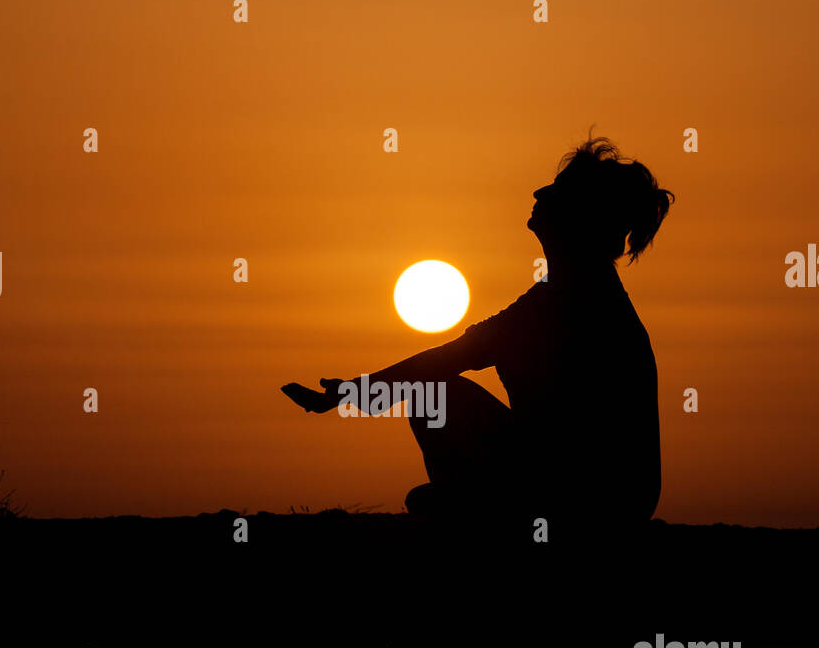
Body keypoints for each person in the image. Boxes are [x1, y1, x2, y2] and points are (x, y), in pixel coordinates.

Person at [282, 134, 674, 530]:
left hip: (591, 500)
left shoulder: (577, 299)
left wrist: (353, 393)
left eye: (557, 190)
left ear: (580, 213)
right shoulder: (568, 292)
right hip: (605, 497)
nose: (539, 192)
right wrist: (356, 392)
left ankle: (474, 516)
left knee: (431, 395)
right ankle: (472, 507)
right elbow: (461, 352)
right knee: (428, 430)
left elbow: (447, 359)